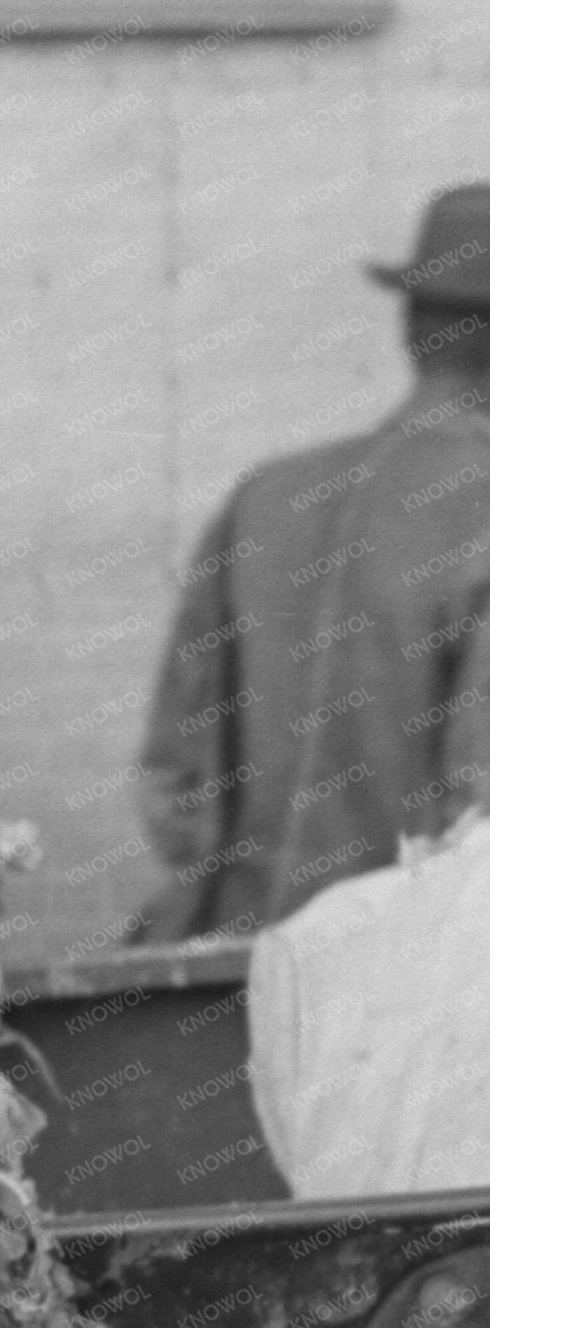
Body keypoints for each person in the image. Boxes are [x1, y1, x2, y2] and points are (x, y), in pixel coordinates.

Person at [130, 181, 490, 941]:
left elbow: (173, 787)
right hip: (422, 1001)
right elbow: (489, 821)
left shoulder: (265, 499)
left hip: (231, 987)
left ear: (411, 327)